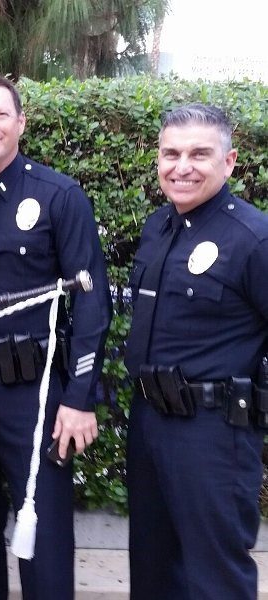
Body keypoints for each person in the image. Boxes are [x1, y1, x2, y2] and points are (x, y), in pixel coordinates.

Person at [0, 73, 112, 600]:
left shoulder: (60, 196)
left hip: (34, 395)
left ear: (20, 122)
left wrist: (80, 398)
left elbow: (92, 301)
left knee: (47, 535)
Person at [125, 104, 267, 599]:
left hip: (212, 435)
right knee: (151, 567)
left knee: (213, 578)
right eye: (171, 153)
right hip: (149, 426)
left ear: (229, 162)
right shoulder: (158, 228)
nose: (182, 166)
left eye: (199, 154)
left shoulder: (254, 238)